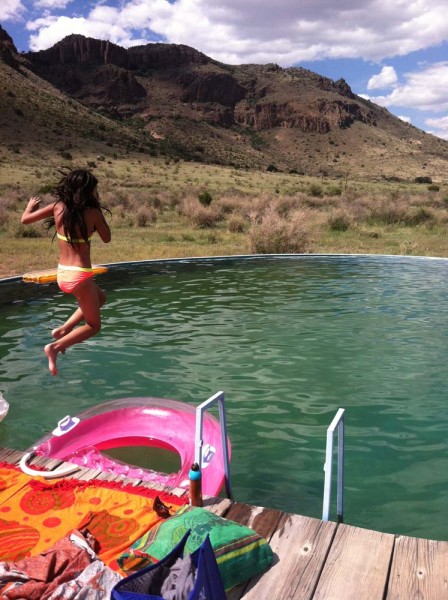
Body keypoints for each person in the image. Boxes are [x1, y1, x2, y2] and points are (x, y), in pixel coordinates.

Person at [21, 168, 111, 376]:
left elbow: (25, 220)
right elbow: (107, 238)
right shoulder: (92, 212)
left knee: (101, 298)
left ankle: (63, 330)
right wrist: (97, 215)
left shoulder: (57, 207)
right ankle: (54, 347)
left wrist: (29, 207)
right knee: (93, 325)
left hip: (63, 273)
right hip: (80, 276)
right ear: (88, 191)